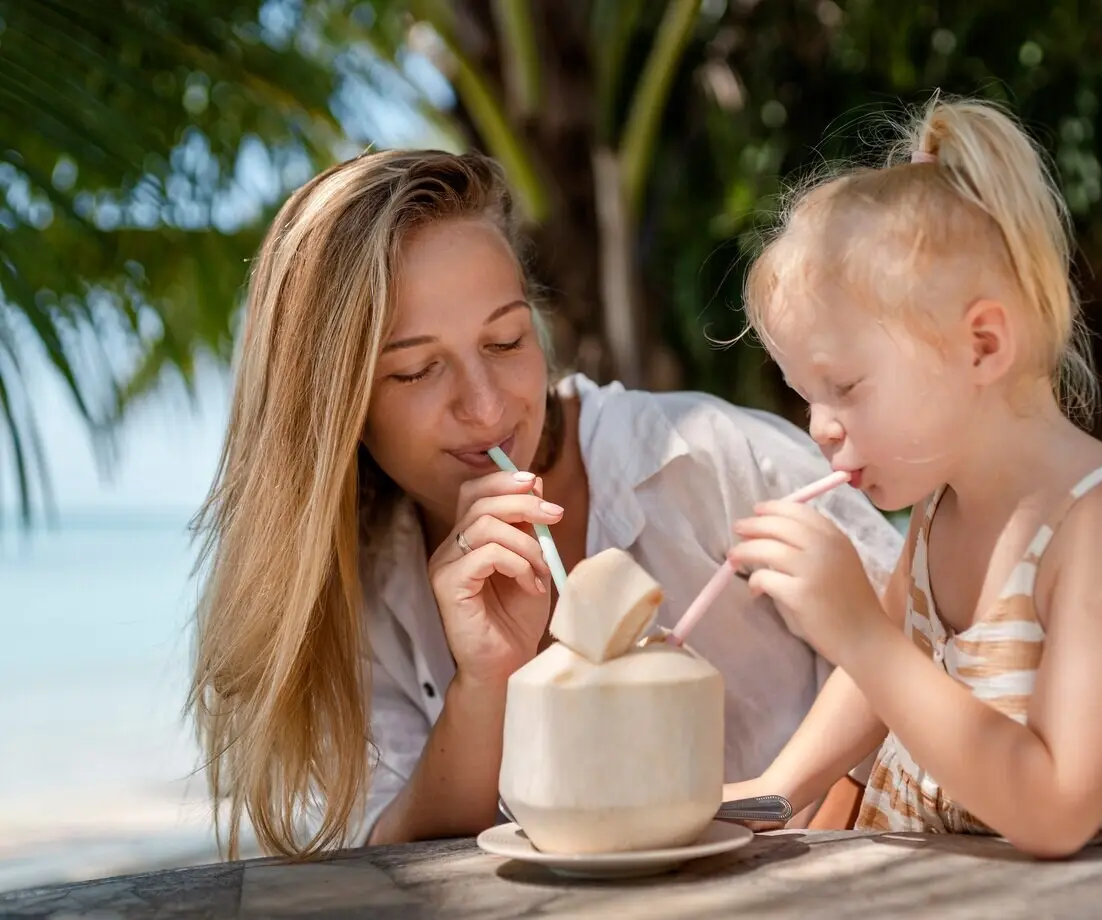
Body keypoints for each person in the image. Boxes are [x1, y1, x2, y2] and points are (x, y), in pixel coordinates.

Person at [186, 149, 902, 857]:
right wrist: (486, 678)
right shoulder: (358, 590)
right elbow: (390, 853)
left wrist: (808, 811)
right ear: (339, 409)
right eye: (416, 370)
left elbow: (934, 629)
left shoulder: (702, 460)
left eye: (505, 339)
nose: (488, 405)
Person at [722, 95, 1102, 863]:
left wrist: (850, 627)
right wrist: (768, 795)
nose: (820, 425)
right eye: (805, 396)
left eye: (845, 387)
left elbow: (1056, 810)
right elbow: (883, 667)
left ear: (982, 345)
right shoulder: (937, 515)